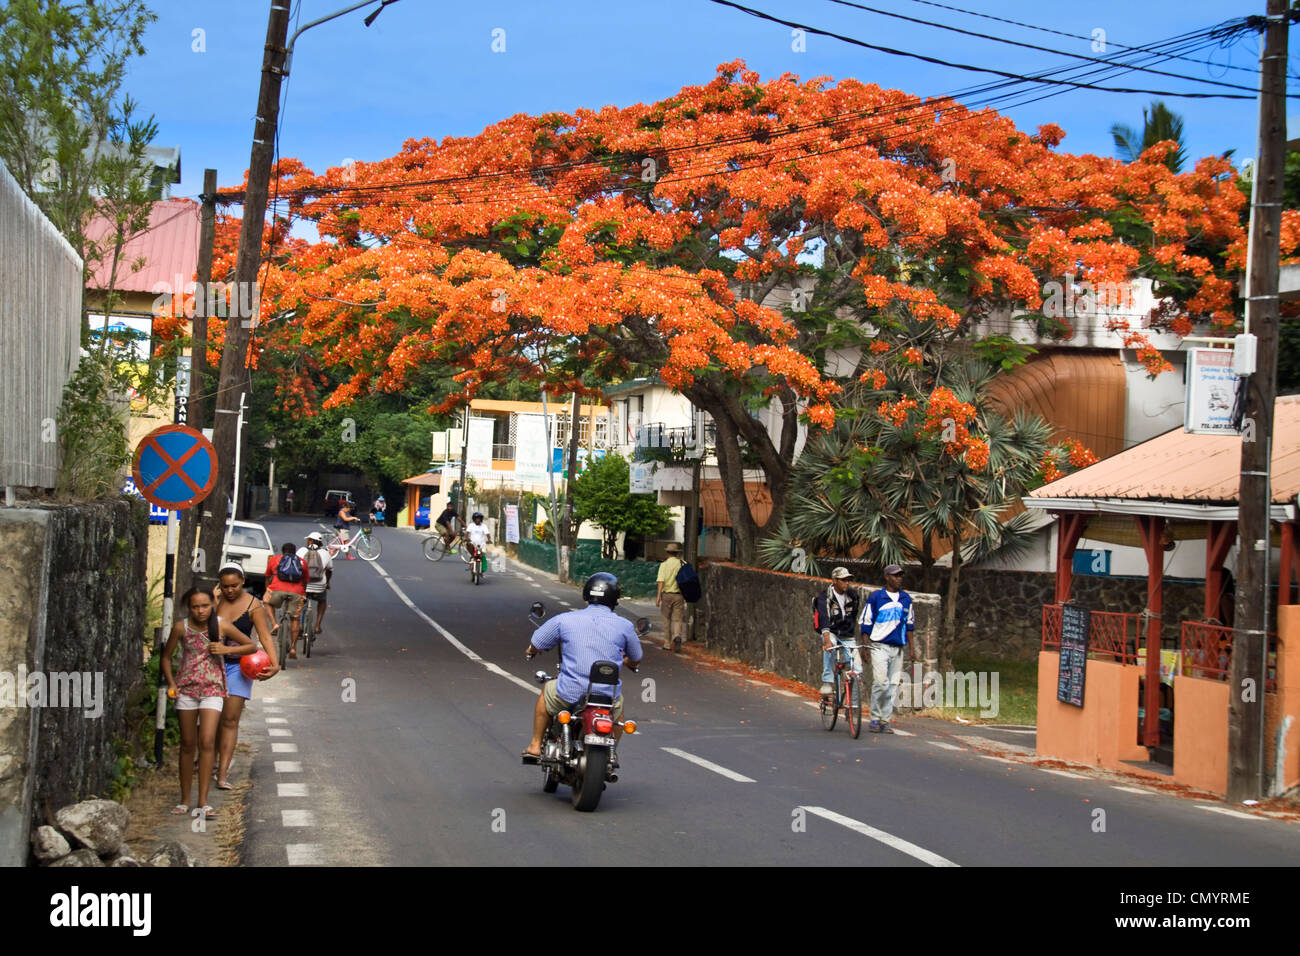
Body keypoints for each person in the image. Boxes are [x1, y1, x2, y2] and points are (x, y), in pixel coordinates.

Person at [522, 572, 643, 768]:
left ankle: (535, 746)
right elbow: (636, 658)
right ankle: (610, 756)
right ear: (615, 599)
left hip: (570, 692)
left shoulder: (566, 619)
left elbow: (537, 641)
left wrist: (532, 650)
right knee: (618, 715)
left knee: (546, 693)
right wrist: (629, 662)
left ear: (587, 594)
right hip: (606, 697)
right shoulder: (625, 626)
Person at [160, 586, 254, 820]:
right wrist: (172, 683)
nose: (201, 611)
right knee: (187, 744)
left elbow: (250, 646)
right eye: (195, 607)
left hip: (213, 689)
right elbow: (166, 657)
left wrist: (224, 649)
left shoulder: (221, 625)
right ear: (188, 608)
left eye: (205, 606)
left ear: (212, 605)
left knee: (207, 742)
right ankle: (184, 800)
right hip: (187, 690)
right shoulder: (181, 628)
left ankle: (203, 801)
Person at [213, 564, 279, 790]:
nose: (230, 590)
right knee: (212, 719)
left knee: (230, 720)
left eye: (235, 586)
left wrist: (275, 664)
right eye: (225, 586)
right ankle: (209, 760)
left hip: (236, 667)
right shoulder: (214, 601)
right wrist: (213, 603)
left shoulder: (254, 605)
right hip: (211, 667)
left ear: (243, 582)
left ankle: (222, 773)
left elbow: (264, 636)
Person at [860, 564, 915, 734]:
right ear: (887, 577)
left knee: (892, 685)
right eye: (895, 576)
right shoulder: (876, 598)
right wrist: (866, 646)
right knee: (880, 682)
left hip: (897, 647)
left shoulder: (906, 599)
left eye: (900, 576)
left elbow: (910, 625)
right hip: (879, 646)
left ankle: (885, 720)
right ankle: (875, 718)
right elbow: (866, 623)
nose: (899, 578)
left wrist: (912, 648)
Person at [814, 567, 863, 697]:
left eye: (848, 580)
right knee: (830, 648)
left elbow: (854, 614)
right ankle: (827, 682)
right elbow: (824, 618)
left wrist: (851, 630)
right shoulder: (824, 597)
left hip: (847, 634)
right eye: (843, 580)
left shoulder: (853, 595)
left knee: (857, 670)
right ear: (834, 580)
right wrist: (826, 640)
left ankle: (852, 706)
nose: (846, 583)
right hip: (831, 631)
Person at [264, 542, 306, 652]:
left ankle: (274, 624)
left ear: (282, 551)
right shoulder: (301, 561)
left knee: (267, 602)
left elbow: (267, 576)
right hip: (297, 592)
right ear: (294, 552)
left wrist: (267, 589)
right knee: (295, 618)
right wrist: (303, 593)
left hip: (277, 590)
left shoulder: (274, 559)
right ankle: (293, 648)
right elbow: (305, 580)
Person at [297, 531, 333, 644]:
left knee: (299, 602)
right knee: (322, 600)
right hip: (319, 586)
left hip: (304, 586)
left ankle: (298, 625)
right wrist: (327, 583)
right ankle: (317, 625)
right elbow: (329, 570)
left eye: (308, 540)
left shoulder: (302, 551)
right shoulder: (325, 553)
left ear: (311, 541)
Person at [655, 542, 686, 652]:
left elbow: (661, 581)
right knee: (678, 619)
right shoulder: (683, 564)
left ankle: (667, 644)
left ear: (667, 552)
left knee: (666, 619)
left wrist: (658, 597)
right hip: (679, 595)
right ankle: (677, 636)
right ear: (677, 553)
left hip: (667, 595)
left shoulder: (664, 565)